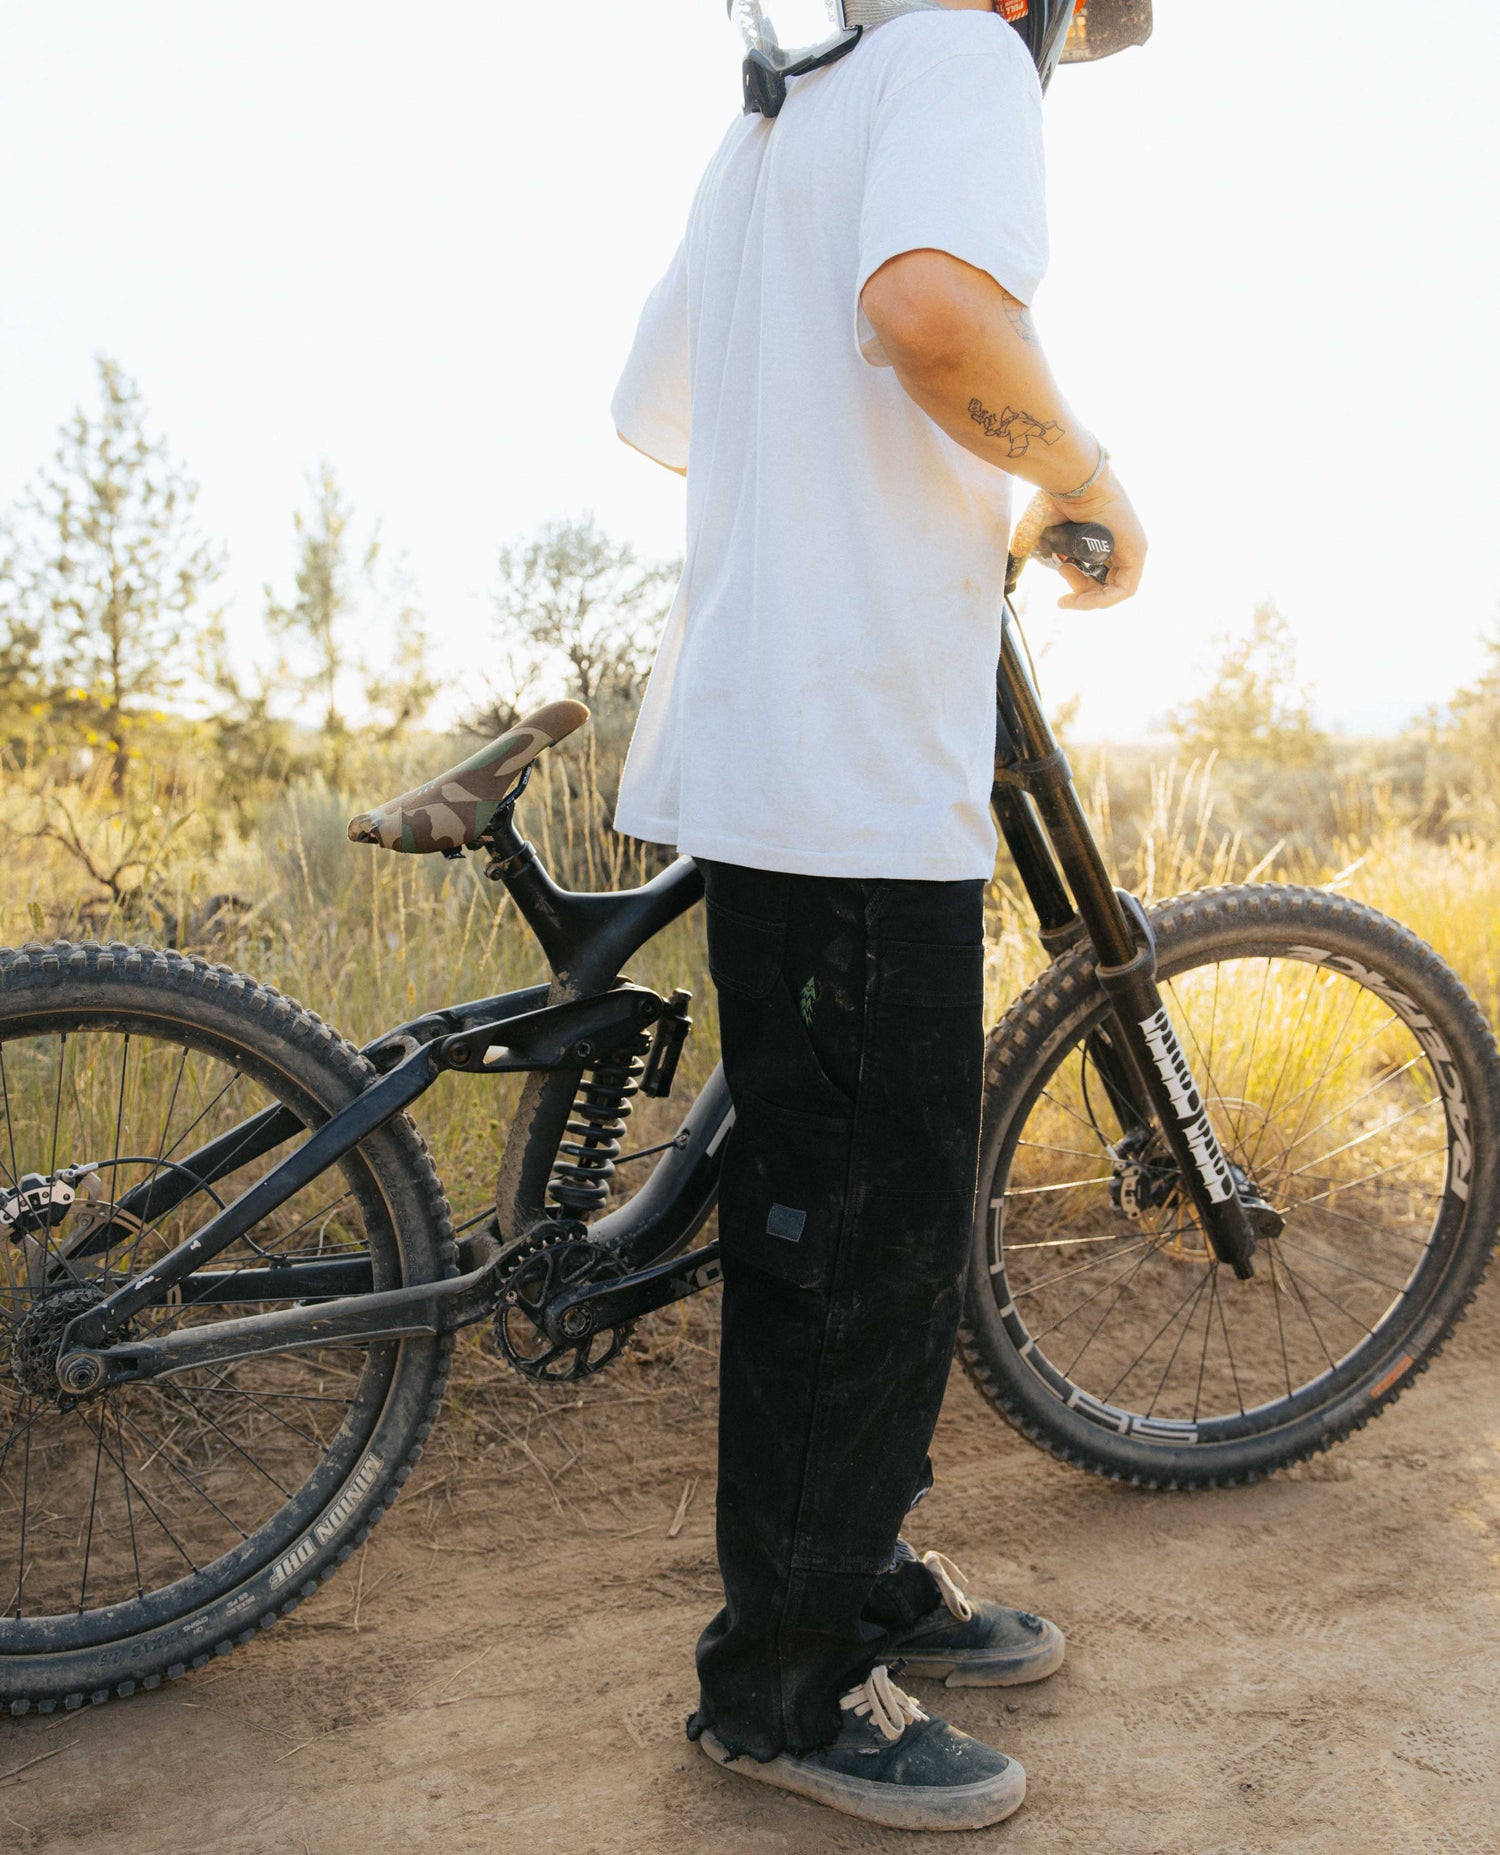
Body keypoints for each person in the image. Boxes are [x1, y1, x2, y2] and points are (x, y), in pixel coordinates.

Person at [610, 0, 1149, 1831]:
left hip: (769, 739)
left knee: (836, 1214)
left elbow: (657, 409)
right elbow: (934, 313)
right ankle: (782, 1687)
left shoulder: (773, 121)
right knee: (856, 1236)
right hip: (847, 768)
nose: (1074, 39)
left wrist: (876, 505)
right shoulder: (960, 63)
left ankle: (853, 1565)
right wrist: (1082, 480)